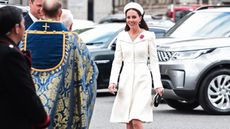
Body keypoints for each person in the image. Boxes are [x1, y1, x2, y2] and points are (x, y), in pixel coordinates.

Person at [20, 0, 98, 128]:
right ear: (60, 13)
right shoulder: (73, 41)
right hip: (62, 110)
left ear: (42, 11)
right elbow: (91, 72)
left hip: (32, 107)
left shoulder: (23, 38)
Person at [108, 2, 164, 129]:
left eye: (134, 17)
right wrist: (113, 82)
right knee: (128, 122)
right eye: (128, 17)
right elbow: (117, 62)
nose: (131, 20)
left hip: (142, 81)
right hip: (125, 80)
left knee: (136, 120)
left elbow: (154, 62)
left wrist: (158, 84)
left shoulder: (149, 36)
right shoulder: (121, 36)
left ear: (140, 18)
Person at [0, 6, 50, 129]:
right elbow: (25, 93)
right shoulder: (11, 55)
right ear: (17, 28)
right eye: (23, 24)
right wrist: (43, 119)